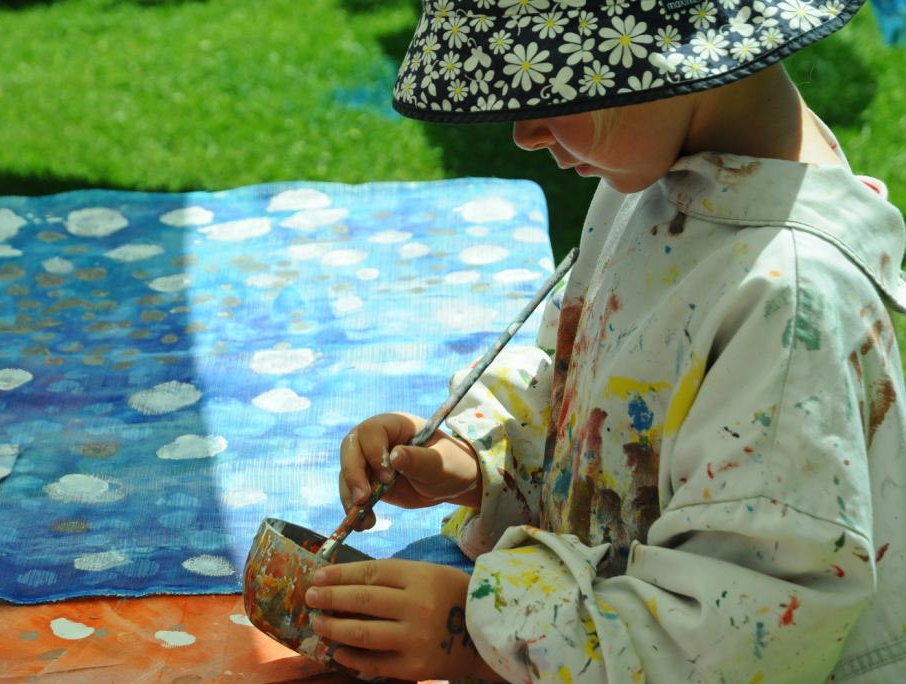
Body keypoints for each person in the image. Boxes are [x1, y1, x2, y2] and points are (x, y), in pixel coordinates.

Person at [303, 1, 906, 681]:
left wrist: (476, 639)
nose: (525, 130)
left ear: (678, 52)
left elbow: (738, 631)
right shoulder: (653, 176)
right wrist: (474, 458)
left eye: (550, 85)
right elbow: (590, 393)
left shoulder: (787, 297)